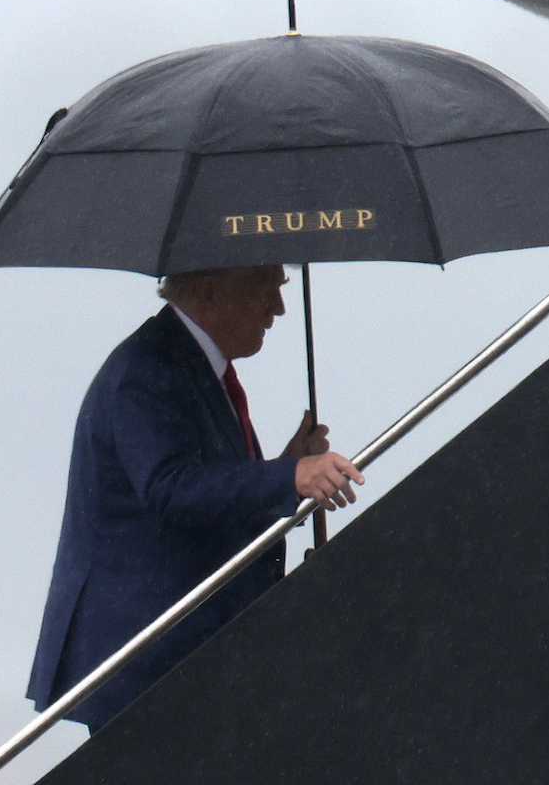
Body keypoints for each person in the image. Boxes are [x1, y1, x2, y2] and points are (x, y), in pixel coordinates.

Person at [25, 264, 364, 733]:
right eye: (265, 288)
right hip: (147, 665)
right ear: (210, 292)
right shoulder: (145, 370)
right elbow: (171, 490)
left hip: (182, 662)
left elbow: (206, 497)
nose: (279, 308)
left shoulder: (182, 362)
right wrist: (290, 476)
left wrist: (284, 468)